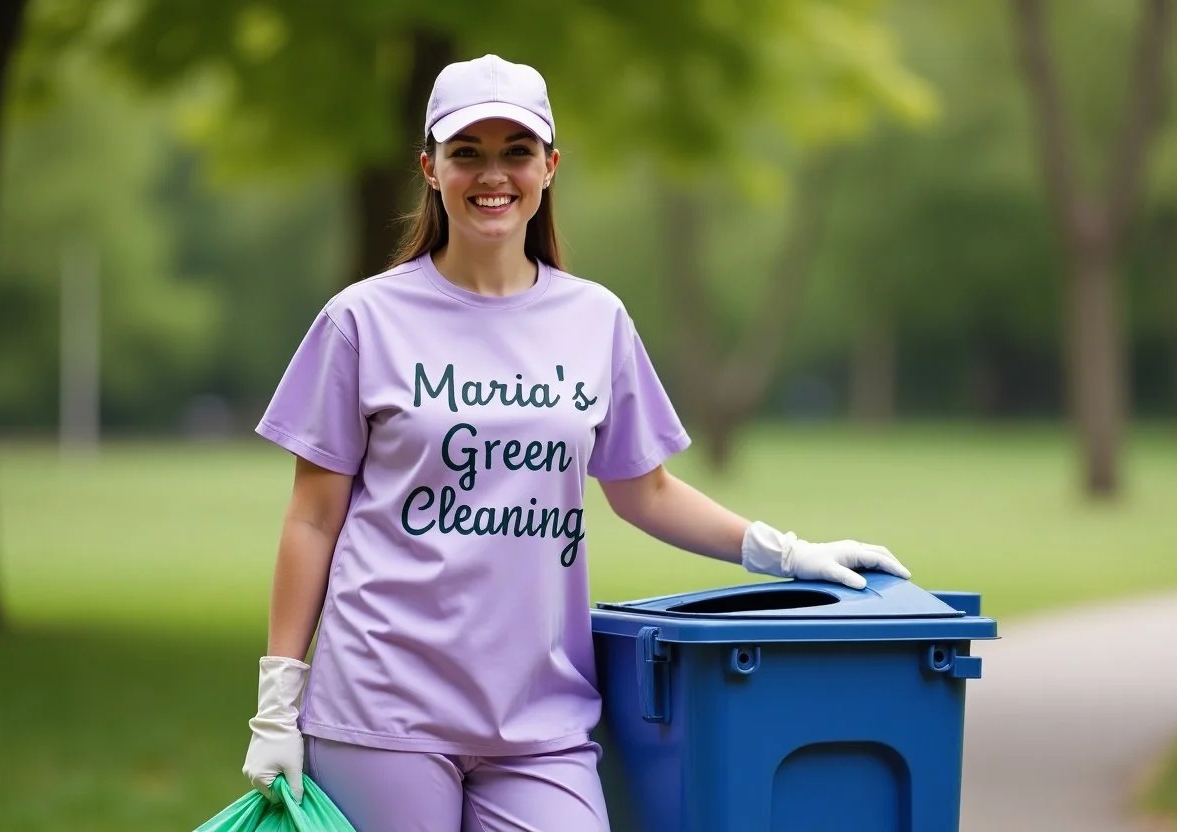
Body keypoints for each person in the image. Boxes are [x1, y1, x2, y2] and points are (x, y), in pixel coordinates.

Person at [239, 53, 911, 832]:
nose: (494, 175)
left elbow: (645, 490)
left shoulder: (597, 321)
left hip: (539, 718)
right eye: (468, 153)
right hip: (384, 704)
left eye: (516, 151)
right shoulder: (361, 320)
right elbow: (314, 518)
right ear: (429, 168)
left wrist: (786, 553)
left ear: (550, 166)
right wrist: (278, 702)